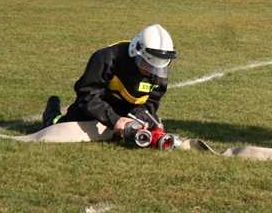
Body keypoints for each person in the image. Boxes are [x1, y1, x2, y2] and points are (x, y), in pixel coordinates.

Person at [42, 24, 177, 138]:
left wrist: (136, 121)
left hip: (129, 109)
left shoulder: (158, 73)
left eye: (156, 66)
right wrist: (114, 120)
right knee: (64, 129)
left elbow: (150, 105)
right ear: (135, 51)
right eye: (145, 63)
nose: (150, 71)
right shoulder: (106, 59)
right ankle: (52, 111)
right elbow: (87, 95)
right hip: (97, 105)